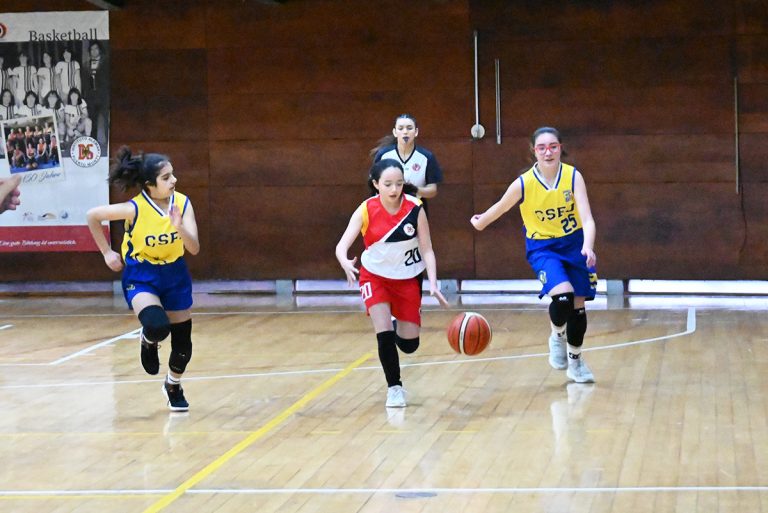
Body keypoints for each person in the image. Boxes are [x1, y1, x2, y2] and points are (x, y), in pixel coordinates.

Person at [470, 127, 597, 383]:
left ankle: (575, 362)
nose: (548, 152)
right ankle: (557, 336)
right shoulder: (524, 183)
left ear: (560, 148)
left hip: (574, 245)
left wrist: (588, 245)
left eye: (553, 147)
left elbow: (587, 219)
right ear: (534, 151)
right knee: (563, 297)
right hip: (543, 247)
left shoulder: (573, 176)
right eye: (542, 148)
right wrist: (481, 222)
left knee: (578, 308)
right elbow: (501, 206)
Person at [86, 146, 200, 411]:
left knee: (183, 345)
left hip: (174, 273)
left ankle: (173, 385)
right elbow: (93, 216)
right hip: (142, 273)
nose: (174, 180)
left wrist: (179, 228)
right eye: (166, 177)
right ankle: (148, 339)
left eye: (173, 174)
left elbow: (194, 248)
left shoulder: (182, 204)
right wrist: (107, 252)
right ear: (149, 184)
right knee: (157, 326)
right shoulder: (133, 208)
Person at [335, 158, 448, 408]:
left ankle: (398, 322)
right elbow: (341, 246)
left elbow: (427, 250)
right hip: (375, 276)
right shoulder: (366, 209)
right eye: (388, 184)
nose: (394, 189)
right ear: (376, 184)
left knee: (409, 345)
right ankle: (394, 388)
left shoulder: (415, 208)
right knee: (383, 332)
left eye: (399, 183)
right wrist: (344, 261)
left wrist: (433, 282)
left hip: (407, 279)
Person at [371, 114, 443, 212]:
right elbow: (374, 183)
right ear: (395, 132)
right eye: (400, 128)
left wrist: (415, 189)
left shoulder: (426, 157)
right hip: (386, 208)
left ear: (416, 132)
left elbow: (433, 190)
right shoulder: (383, 155)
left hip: (415, 208)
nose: (405, 132)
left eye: (409, 128)